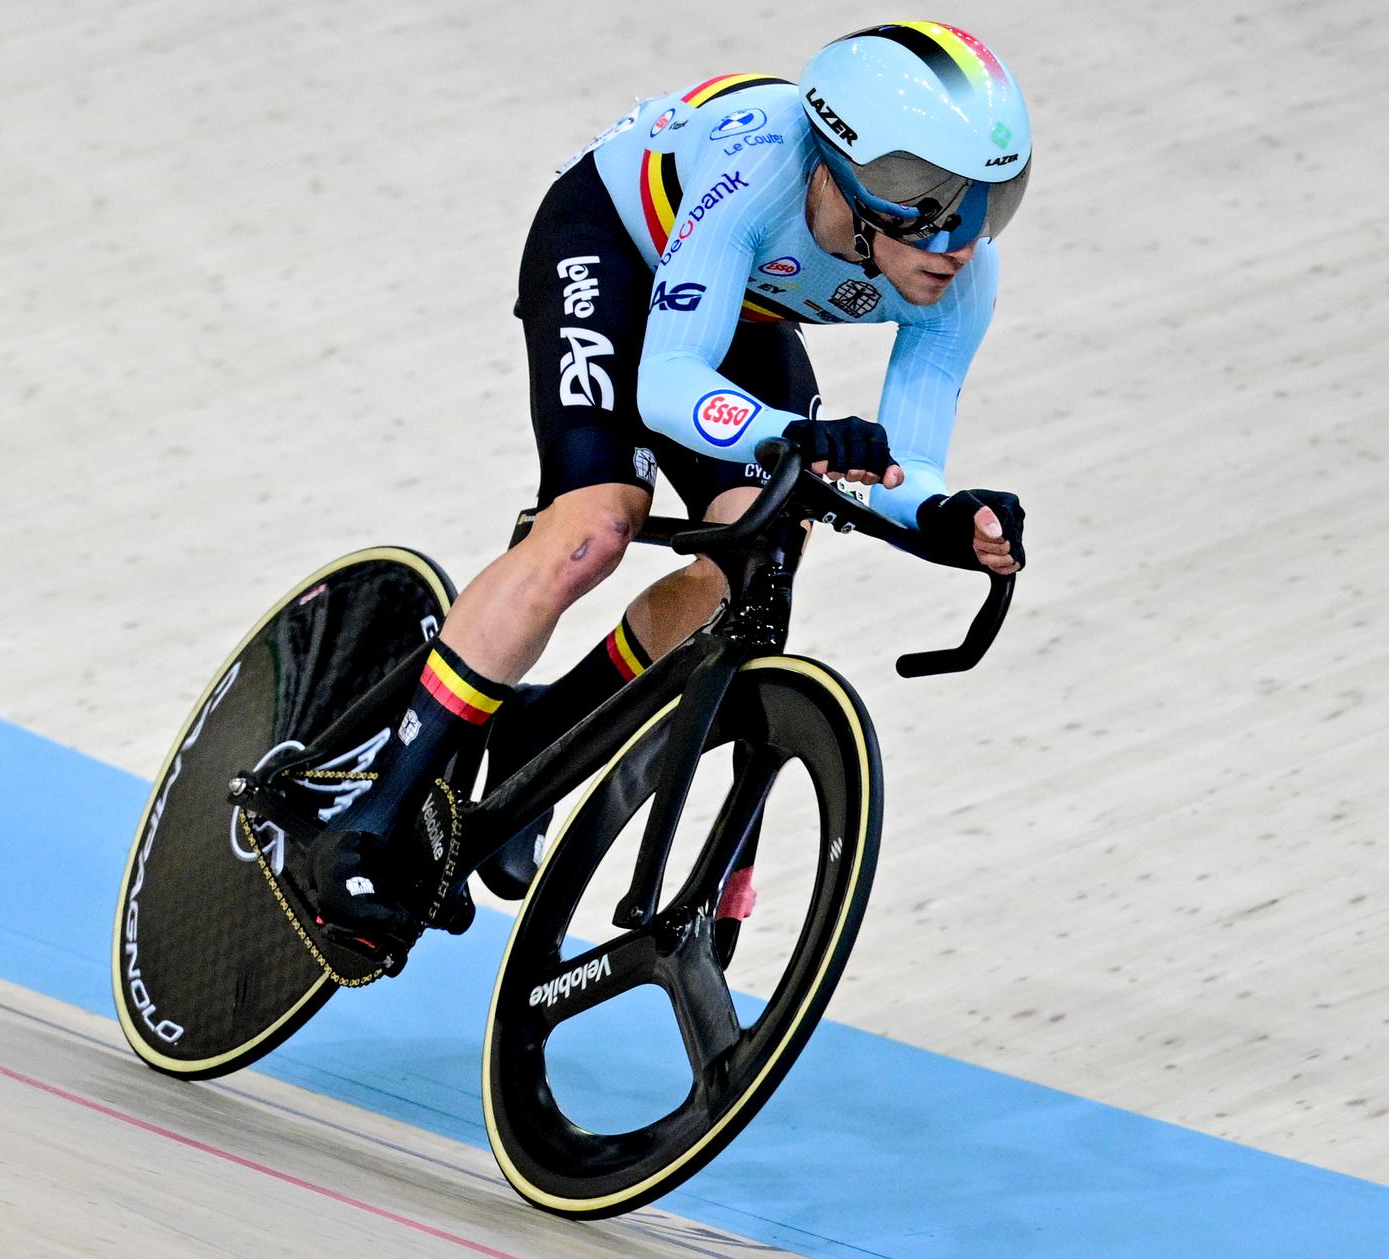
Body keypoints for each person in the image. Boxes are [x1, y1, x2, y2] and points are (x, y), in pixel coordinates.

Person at [312, 21, 1033, 960]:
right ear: (850, 169)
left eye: (990, 200)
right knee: (597, 522)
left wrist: (942, 517)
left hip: (742, 309)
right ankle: (368, 824)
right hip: (613, 246)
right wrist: (794, 436)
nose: (960, 238)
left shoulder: (962, 277)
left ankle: (539, 733)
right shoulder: (762, 167)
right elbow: (667, 385)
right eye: (930, 196)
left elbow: (905, 467)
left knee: (755, 561)